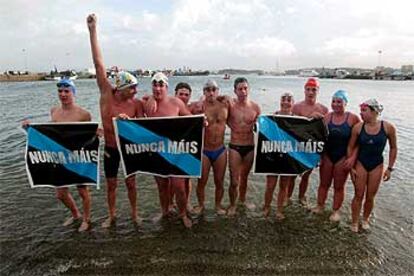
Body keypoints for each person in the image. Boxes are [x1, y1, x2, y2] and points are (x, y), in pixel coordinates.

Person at [87, 14, 144, 228]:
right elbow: (98, 63)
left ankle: (134, 213)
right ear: (121, 88)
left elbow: (143, 129)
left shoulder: (136, 104)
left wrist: (129, 122)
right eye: (133, 87)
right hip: (110, 148)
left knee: (131, 183)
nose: (136, 91)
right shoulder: (106, 94)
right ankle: (111, 215)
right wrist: (92, 31)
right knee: (111, 185)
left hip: (129, 149)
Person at [23, 79, 92, 232]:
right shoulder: (54, 111)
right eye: (60, 91)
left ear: (73, 93)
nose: (63, 94)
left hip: (77, 157)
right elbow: (50, 133)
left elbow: (88, 137)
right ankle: (76, 214)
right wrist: (30, 129)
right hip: (60, 157)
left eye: (67, 91)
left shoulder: (84, 114)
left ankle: (86, 220)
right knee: (60, 194)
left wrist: (97, 134)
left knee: (82, 192)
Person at [146, 72, 193, 228]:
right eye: (155, 85)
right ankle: (165, 211)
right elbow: (135, 121)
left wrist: (202, 121)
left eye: (161, 85)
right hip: (157, 152)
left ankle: (183, 214)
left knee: (179, 187)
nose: (158, 88)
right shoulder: (146, 103)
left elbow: (191, 119)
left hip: (175, 152)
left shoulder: (176, 103)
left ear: (167, 87)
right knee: (162, 187)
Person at [347, 99, 397, 232]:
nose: (361, 113)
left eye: (364, 110)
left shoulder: (388, 127)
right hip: (361, 164)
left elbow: (393, 148)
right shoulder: (358, 128)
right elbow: (350, 148)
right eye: (361, 110)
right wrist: (351, 166)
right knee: (358, 194)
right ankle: (354, 221)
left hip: (377, 165)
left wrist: (390, 168)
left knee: (370, 196)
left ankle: (365, 219)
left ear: (374, 112)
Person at [311, 90, 360, 221]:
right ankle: (320, 206)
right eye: (333, 101)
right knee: (323, 184)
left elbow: (360, 141)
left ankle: (336, 211)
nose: (336, 104)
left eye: (339, 102)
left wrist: (352, 158)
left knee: (339, 186)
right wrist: (313, 117)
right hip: (327, 155)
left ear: (346, 103)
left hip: (342, 157)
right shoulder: (327, 117)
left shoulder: (353, 118)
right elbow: (317, 136)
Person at [191, 80, 229, 215]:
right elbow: (180, 109)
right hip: (204, 151)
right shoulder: (198, 107)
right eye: (208, 90)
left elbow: (242, 109)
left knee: (219, 181)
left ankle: (218, 206)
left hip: (220, 150)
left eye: (214, 89)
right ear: (204, 92)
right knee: (201, 181)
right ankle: (201, 205)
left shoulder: (226, 105)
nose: (211, 92)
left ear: (218, 91)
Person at [289, 78, 328, 207]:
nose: (311, 92)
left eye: (314, 90)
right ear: (304, 90)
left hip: (312, 148)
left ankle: (301, 197)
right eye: (308, 89)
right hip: (297, 147)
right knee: (292, 176)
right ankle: (287, 197)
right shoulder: (297, 107)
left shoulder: (324, 109)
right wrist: (309, 118)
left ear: (318, 91)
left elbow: (325, 134)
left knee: (306, 176)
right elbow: (291, 128)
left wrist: (322, 155)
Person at [227, 77, 261, 216]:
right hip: (235, 146)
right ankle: (232, 204)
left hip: (250, 147)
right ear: (235, 91)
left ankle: (242, 200)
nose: (243, 91)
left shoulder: (255, 107)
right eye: (240, 89)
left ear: (249, 89)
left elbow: (262, 127)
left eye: (245, 88)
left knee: (245, 178)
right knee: (234, 180)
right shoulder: (230, 106)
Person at [263, 92, 296, 220]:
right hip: (273, 155)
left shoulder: (297, 120)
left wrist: (315, 119)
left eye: (289, 100)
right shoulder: (272, 117)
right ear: (280, 101)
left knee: (284, 185)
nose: (286, 102)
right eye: (284, 99)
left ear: (293, 103)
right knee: (270, 185)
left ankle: (279, 210)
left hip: (288, 156)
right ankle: (266, 206)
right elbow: (263, 134)